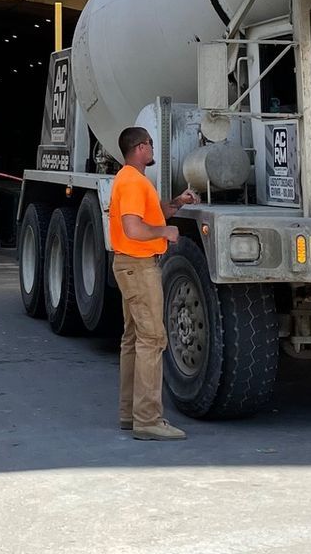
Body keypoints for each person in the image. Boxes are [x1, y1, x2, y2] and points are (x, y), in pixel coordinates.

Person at [108, 125, 196, 441]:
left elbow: (152, 214)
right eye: (151, 145)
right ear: (142, 147)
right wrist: (165, 233)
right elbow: (133, 227)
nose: (153, 149)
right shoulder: (132, 181)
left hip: (130, 266)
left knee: (133, 339)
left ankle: (129, 414)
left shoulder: (130, 179)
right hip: (139, 267)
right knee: (152, 338)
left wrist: (177, 203)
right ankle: (148, 419)